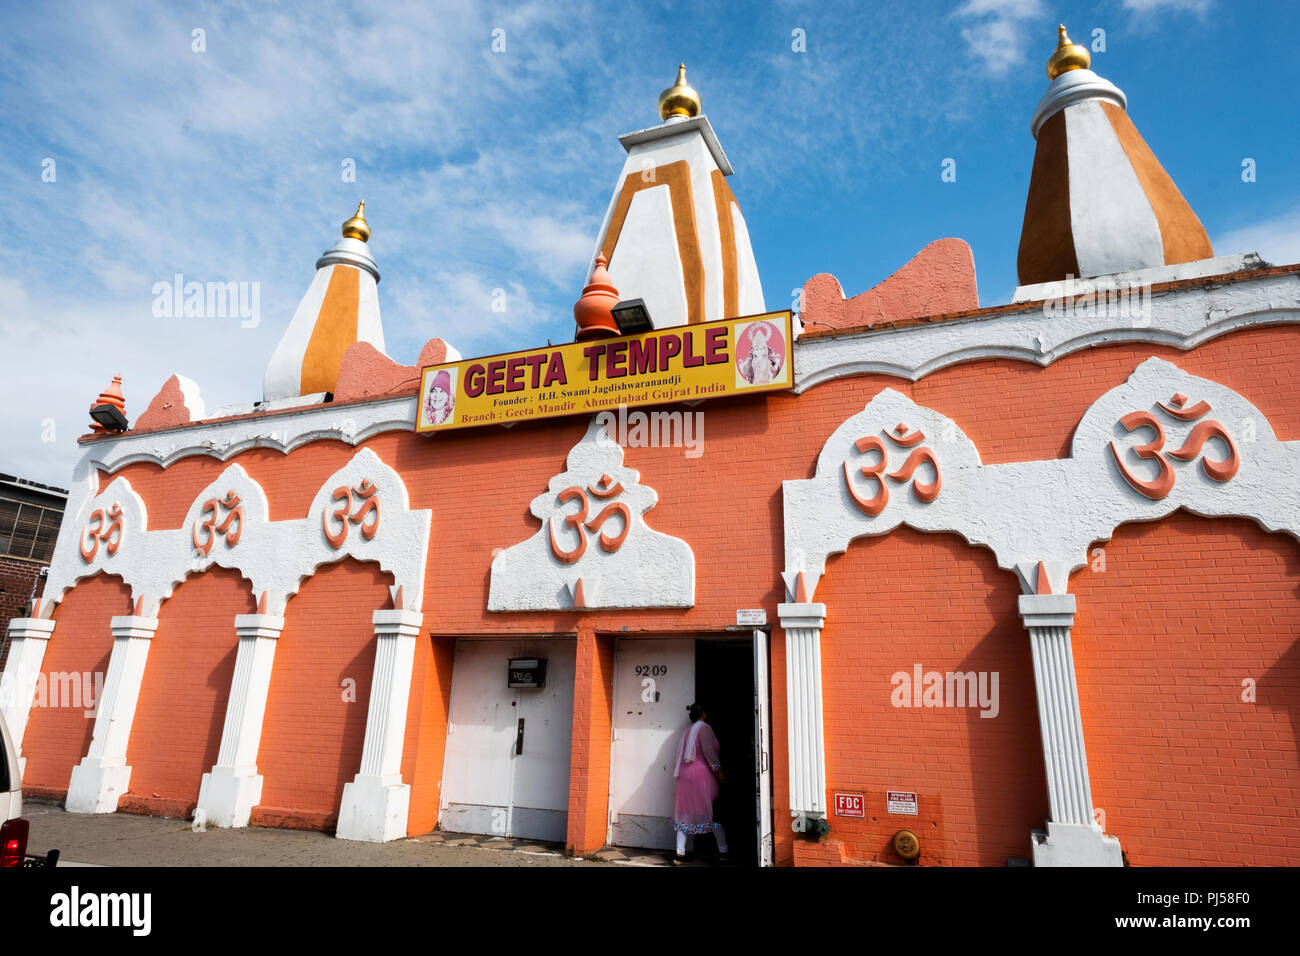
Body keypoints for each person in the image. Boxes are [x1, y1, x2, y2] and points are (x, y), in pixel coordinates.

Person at [671, 703, 729, 864]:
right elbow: (709, 752)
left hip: (685, 774)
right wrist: (720, 772)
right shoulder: (704, 728)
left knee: (685, 811)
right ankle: (723, 851)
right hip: (702, 774)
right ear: (703, 713)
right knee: (714, 810)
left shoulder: (687, 731)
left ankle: (680, 853)